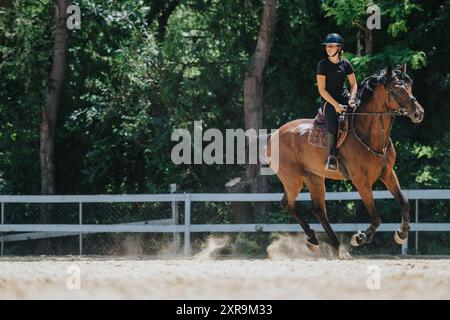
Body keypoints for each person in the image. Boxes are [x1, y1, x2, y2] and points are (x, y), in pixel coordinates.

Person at [316, 33, 357, 171]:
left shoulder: (345, 64)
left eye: (332, 45)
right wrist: (336, 105)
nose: (328, 48)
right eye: (327, 46)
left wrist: (351, 98)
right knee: (333, 127)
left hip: (345, 98)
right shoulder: (323, 65)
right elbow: (322, 90)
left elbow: (353, 84)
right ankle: (331, 157)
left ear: (339, 48)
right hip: (329, 102)